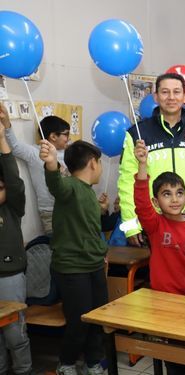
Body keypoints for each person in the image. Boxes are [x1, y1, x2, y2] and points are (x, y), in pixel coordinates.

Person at [118, 73, 185, 247]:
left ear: (184, 97)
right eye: (165, 92)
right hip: (156, 224)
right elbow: (127, 181)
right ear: (156, 97)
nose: (171, 97)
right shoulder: (137, 133)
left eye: (176, 92)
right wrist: (131, 225)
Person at [133, 140, 185, 373]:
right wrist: (142, 166)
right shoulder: (156, 224)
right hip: (166, 305)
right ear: (157, 202)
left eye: (179, 193)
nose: (175, 199)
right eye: (167, 194)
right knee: (174, 359)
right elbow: (141, 204)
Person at [40, 140, 108, 375]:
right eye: (99, 163)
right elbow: (56, 185)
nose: (100, 167)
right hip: (72, 268)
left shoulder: (88, 192)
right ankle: (66, 363)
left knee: (96, 317)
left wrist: (103, 210)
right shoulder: (69, 185)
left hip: (94, 265)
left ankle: (92, 362)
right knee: (79, 320)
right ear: (93, 163)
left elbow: (87, 226)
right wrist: (50, 164)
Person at [1, 103, 69, 235]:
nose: (69, 137)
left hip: (69, 207)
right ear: (53, 136)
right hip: (49, 211)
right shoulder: (34, 153)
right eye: (66, 134)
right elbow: (14, 146)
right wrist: (7, 123)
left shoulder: (70, 153)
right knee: (56, 247)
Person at [0, 116, 32, 375]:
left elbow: (13, 179)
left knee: (14, 334)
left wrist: (2, 138)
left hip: (9, 275)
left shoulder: (12, 207)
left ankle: (23, 371)